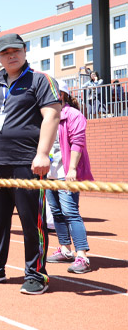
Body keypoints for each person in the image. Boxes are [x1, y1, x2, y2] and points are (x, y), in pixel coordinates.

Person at [0, 33, 60, 295]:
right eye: (5, 53)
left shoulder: (40, 80)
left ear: (25, 50)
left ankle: (36, 274)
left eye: (16, 50)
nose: (11, 56)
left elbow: (52, 115)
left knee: (32, 222)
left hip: (28, 164)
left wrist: (43, 154)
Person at [45, 81, 93, 274]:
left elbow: (78, 143)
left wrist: (72, 169)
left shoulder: (73, 115)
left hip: (66, 173)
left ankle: (82, 255)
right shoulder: (46, 116)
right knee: (56, 213)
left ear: (61, 95)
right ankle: (65, 249)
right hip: (50, 174)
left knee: (70, 212)